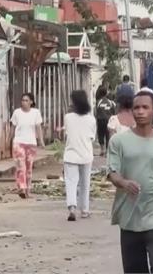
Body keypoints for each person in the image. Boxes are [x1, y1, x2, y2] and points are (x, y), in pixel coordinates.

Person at [107, 90, 153, 274]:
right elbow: (112, 173)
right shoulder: (119, 141)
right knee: (134, 269)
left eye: (145, 107)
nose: (140, 111)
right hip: (129, 215)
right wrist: (124, 183)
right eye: (136, 108)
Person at [58, 90, 96, 221]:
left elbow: (67, 134)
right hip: (86, 154)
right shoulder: (91, 119)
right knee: (85, 183)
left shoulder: (68, 117)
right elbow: (92, 138)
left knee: (71, 182)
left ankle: (72, 208)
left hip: (70, 154)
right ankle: (84, 210)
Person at [9, 92, 44, 199]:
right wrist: (9, 140)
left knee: (29, 168)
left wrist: (41, 141)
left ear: (31, 102)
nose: (24, 102)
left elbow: (38, 127)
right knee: (21, 166)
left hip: (31, 143)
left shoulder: (36, 113)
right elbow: (13, 127)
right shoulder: (17, 113)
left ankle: (28, 190)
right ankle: (22, 188)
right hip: (18, 142)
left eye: (26, 100)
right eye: (22, 100)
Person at [94, 86, 116, 156]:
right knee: (107, 135)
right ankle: (107, 151)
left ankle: (102, 149)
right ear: (106, 93)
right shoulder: (111, 102)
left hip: (100, 120)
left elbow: (95, 111)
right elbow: (114, 112)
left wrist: (96, 117)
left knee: (100, 134)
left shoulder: (98, 102)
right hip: (108, 120)